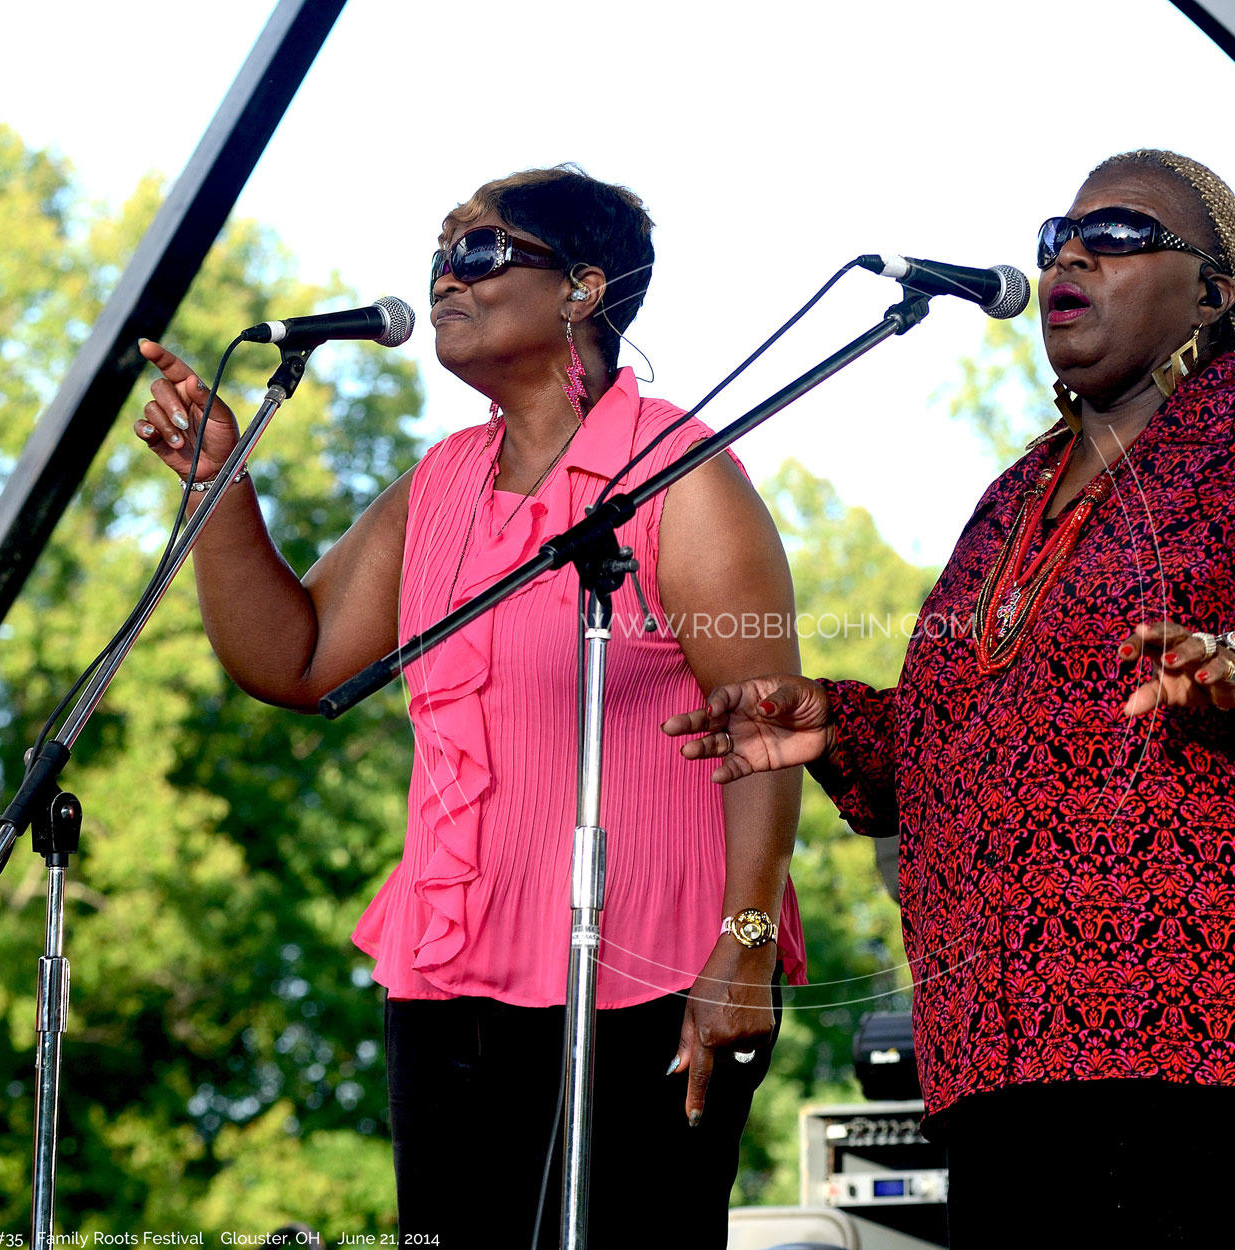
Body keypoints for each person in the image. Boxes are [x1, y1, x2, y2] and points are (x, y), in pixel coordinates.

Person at [665, 149, 1235, 1248]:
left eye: (1117, 235)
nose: (1069, 255)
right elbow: (970, 728)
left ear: (1212, 293)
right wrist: (840, 723)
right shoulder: (1010, 498)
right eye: (1057, 237)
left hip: (1233, 1021)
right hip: (1013, 1038)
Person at [136, 165, 805, 1247]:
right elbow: (295, 659)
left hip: (653, 971)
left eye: (481, 250)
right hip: (448, 978)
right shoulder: (439, 482)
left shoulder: (680, 477)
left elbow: (766, 731)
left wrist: (747, 947)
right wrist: (219, 484)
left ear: (583, 287)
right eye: (440, 253)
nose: (446, 274)